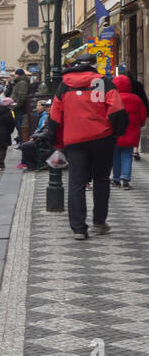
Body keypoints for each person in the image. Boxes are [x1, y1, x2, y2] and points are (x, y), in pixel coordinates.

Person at [50, 55, 128, 239]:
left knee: (76, 182)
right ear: (93, 66)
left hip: (74, 139)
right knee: (101, 179)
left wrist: (57, 140)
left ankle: (78, 228)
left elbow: (55, 116)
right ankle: (99, 223)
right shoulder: (104, 82)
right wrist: (115, 133)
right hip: (102, 138)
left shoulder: (64, 85)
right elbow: (118, 111)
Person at [112, 74, 147, 188]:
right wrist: (139, 125)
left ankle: (116, 178)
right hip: (131, 133)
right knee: (127, 155)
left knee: (115, 156)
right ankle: (125, 178)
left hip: (115, 133)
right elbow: (142, 116)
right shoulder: (136, 99)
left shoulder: (113, 98)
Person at [20, 99, 54, 171]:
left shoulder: (51, 117)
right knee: (26, 145)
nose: (47, 108)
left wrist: (35, 136)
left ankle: (33, 165)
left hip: (48, 141)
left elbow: (47, 132)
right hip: (44, 139)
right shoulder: (48, 117)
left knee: (26, 146)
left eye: (49, 107)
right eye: (46, 107)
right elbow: (43, 130)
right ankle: (32, 165)